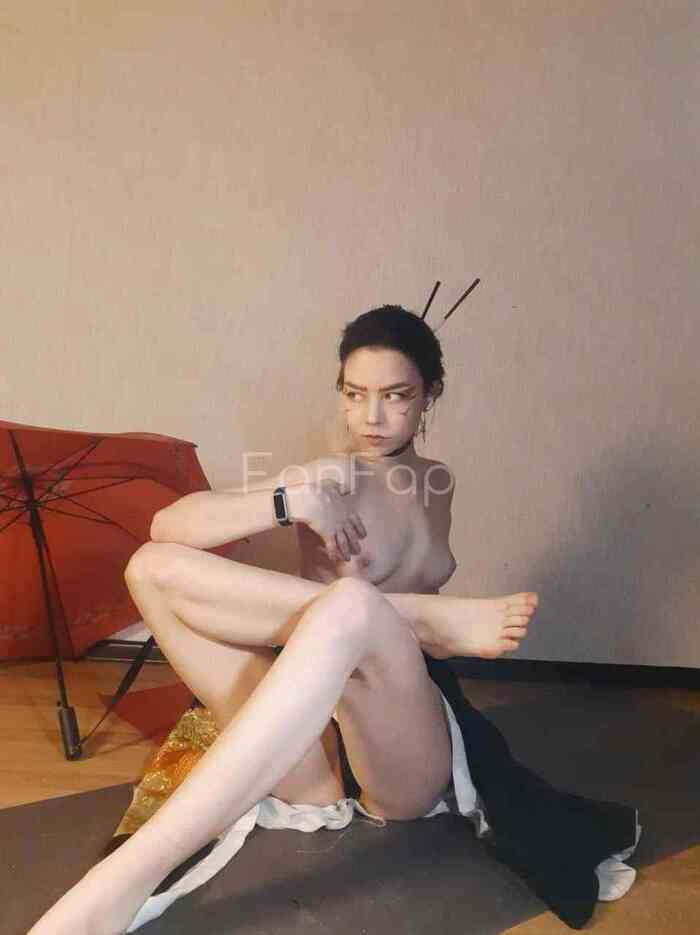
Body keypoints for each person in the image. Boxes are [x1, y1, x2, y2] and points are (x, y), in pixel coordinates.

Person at [27, 305, 638, 934]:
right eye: (354, 394)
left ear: (430, 395)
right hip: (308, 747)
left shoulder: (439, 481)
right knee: (157, 567)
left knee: (355, 604)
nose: (371, 417)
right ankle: (119, 885)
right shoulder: (329, 475)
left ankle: (406, 619)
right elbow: (166, 529)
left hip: (395, 740)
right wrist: (290, 501)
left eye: (396, 396)